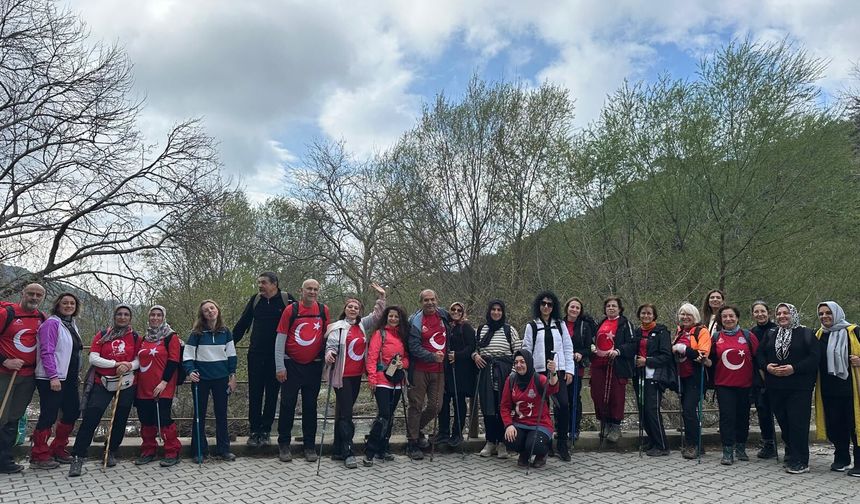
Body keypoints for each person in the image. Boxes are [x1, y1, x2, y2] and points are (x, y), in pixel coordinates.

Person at [69, 304, 141, 476]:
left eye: (126, 314)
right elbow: (94, 358)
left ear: (130, 318)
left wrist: (129, 365)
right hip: (102, 382)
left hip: (126, 383)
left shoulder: (136, 337)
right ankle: (78, 456)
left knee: (120, 419)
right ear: (114, 316)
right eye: (119, 314)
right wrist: (116, 364)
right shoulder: (103, 335)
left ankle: (110, 451)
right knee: (91, 418)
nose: (122, 317)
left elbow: (139, 358)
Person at [323, 283, 386, 469]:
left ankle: (338, 449)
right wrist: (329, 355)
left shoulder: (361, 324)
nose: (353, 309)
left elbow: (377, 315)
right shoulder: (338, 327)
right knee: (347, 413)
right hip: (342, 376)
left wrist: (382, 297)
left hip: (357, 375)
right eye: (350, 306)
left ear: (359, 311)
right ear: (345, 309)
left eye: (356, 307)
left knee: (345, 411)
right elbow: (331, 347)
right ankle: (348, 451)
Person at [232, 272, 296, 447]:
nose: (260, 285)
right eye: (259, 282)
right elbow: (243, 323)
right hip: (256, 354)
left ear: (274, 284)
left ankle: (266, 430)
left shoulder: (287, 300)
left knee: (272, 393)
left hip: (277, 356)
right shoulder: (256, 300)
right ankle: (254, 431)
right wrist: (227, 344)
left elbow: (300, 323)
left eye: (263, 282)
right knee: (255, 393)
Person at [757, 302, 820, 474]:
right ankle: (791, 454)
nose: (782, 316)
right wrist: (767, 367)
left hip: (799, 388)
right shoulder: (771, 333)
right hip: (776, 387)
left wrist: (794, 368)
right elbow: (759, 354)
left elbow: (814, 358)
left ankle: (801, 461)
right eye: (779, 313)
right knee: (784, 422)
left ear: (793, 314)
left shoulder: (806, 333)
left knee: (798, 423)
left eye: (786, 313)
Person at [275, 279, 330, 462]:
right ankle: (284, 444)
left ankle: (309, 446)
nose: (312, 292)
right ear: (302, 290)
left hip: (313, 366)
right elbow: (280, 339)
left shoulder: (323, 310)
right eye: (309, 289)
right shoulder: (291, 310)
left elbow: (328, 337)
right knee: (287, 405)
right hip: (291, 365)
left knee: (310, 407)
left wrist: (326, 366)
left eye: (315, 289)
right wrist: (279, 366)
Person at [521, 291, 575, 460]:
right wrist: (526, 373)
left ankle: (562, 443)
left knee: (563, 405)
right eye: (543, 303)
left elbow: (567, 347)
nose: (546, 307)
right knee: (541, 409)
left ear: (554, 307)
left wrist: (569, 370)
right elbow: (526, 349)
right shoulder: (532, 325)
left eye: (549, 304)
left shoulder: (560, 325)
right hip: (538, 372)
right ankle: (545, 443)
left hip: (557, 372)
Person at [30, 292, 81, 470]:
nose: (68, 306)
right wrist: (53, 376)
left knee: (72, 411)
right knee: (49, 415)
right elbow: (47, 351)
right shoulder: (52, 323)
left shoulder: (71, 324)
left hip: (69, 378)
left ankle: (58, 447)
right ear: (58, 305)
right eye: (65, 303)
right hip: (52, 378)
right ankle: (39, 454)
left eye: (72, 303)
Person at [183, 300, 238, 463]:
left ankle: (224, 449)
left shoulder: (226, 332)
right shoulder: (196, 334)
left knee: (221, 413)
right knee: (199, 414)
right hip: (201, 379)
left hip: (221, 379)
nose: (210, 312)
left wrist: (232, 376)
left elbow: (231, 355)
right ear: (202, 315)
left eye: (212, 308)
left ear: (217, 310)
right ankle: (199, 450)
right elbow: (188, 356)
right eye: (206, 310)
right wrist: (190, 371)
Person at [0, 283, 46, 474]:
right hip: (5, 375)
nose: (34, 298)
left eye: (38, 295)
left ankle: (5, 460)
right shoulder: (6, 314)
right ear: (23, 294)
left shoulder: (41, 318)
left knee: (13, 417)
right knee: (1, 416)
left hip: (27, 376)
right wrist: (5, 361)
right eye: (31, 294)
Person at [814, 301, 860, 476]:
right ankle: (841, 458)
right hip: (828, 389)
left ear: (837, 313)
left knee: (855, 426)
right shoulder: (819, 334)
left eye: (828, 313)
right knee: (834, 425)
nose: (825, 316)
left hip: (852, 389)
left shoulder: (854, 331)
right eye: (821, 314)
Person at [134, 305, 182, 467]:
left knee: (164, 419)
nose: (155, 318)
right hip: (143, 386)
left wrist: (164, 382)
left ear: (163, 317)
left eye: (158, 315)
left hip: (163, 386)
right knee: (146, 420)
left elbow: (174, 361)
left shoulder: (170, 336)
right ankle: (148, 450)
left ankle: (172, 450)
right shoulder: (143, 339)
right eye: (152, 315)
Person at [405, 289, 451, 460]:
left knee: (435, 406)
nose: (430, 303)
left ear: (437, 300)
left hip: (439, 371)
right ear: (421, 302)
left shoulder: (444, 316)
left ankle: (415, 430)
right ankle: (412, 442)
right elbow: (413, 347)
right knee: (416, 404)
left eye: (432, 299)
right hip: (419, 369)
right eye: (426, 300)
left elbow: (457, 321)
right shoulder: (416, 321)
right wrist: (432, 356)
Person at [363, 306, 410, 466]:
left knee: (390, 415)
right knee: (383, 415)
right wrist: (372, 378)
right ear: (386, 317)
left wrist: (400, 364)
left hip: (397, 381)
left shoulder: (403, 336)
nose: (393, 319)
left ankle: (383, 448)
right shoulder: (379, 334)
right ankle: (370, 450)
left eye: (396, 316)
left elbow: (407, 359)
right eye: (391, 316)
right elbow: (372, 357)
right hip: (382, 380)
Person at [473, 300, 520, 460]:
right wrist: (475, 356)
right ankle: (490, 441)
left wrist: (514, 373)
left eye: (499, 310)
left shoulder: (509, 330)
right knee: (488, 408)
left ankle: (502, 442)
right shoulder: (481, 329)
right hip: (486, 371)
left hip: (504, 372)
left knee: (503, 407)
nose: (496, 312)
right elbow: (474, 348)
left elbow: (518, 352)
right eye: (493, 309)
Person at [712, 305, 759, 465]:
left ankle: (740, 447)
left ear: (737, 317)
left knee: (742, 417)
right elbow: (711, 360)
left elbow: (758, 358)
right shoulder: (716, 337)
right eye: (724, 317)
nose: (728, 319)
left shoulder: (747, 336)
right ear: (721, 319)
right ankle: (727, 450)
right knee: (727, 417)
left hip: (745, 384)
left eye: (731, 316)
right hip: (723, 383)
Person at [501, 349, 559, 468]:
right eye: (516, 362)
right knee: (510, 440)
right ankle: (524, 453)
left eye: (522, 362)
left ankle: (542, 454)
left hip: (540, 424)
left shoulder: (539, 379)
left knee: (535, 444)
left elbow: (552, 388)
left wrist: (553, 373)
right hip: (520, 423)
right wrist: (508, 425)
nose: (519, 365)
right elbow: (505, 406)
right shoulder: (511, 380)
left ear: (529, 362)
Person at [589, 296, 635, 446]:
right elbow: (593, 339)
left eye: (614, 306)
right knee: (598, 394)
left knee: (616, 395)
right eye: (608, 306)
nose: (611, 308)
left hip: (616, 364)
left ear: (620, 308)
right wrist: (592, 347)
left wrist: (619, 351)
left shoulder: (624, 324)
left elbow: (632, 344)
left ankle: (615, 426)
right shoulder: (601, 323)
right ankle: (604, 423)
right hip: (598, 364)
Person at [672, 302, 712, 460]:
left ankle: (693, 444)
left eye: (688, 314)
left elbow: (702, 355)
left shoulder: (701, 331)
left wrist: (683, 349)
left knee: (689, 410)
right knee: (686, 410)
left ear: (695, 316)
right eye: (682, 314)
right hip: (682, 376)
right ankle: (696, 445)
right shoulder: (680, 331)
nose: (685, 317)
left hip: (696, 376)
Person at [632, 303, 673, 456]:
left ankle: (662, 445)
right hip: (639, 374)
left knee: (652, 410)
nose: (646, 316)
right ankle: (652, 440)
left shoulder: (662, 332)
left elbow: (666, 355)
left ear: (654, 315)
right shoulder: (636, 332)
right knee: (642, 409)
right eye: (643, 313)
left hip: (654, 375)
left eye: (649, 313)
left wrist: (647, 360)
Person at [435, 302, 476, 447]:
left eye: (459, 310)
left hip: (461, 371)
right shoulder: (446, 326)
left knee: (459, 402)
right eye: (453, 309)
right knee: (444, 401)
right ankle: (443, 432)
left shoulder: (466, 327)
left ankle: (457, 433)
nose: (456, 312)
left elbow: (472, 346)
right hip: (446, 370)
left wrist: (457, 355)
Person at [562, 296, 595, 442]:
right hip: (561, 366)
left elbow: (588, 347)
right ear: (567, 308)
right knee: (560, 399)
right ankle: (561, 427)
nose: (574, 309)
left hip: (577, 367)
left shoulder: (584, 326)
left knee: (574, 398)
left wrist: (580, 353)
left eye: (577, 307)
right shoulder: (559, 323)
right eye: (572, 306)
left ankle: (574, 429)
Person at [749, 301, 778, 459]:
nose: (760, 314)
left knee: (780, 411)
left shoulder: (777, 329)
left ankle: (788, 444)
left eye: (762, 311)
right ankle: (768, 443)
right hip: (759, 377)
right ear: (753, 314)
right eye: (756, 312)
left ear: (769, 312)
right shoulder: (751, 332)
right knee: (763, 411)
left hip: (777, 373)